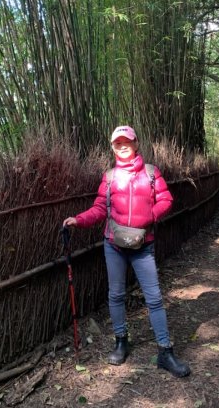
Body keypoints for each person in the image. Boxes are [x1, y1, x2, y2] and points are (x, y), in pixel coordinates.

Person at [63, 125, 190, 378]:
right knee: (116, 295)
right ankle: (121, 341)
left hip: (143, 245)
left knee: (153, 298)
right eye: (117, 142)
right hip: (114, 244)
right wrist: (79, 219)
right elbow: (100, 208)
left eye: (127, 141)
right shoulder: (109, 177)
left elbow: (166, 200)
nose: (122, 146)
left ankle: (165, 351)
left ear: (136, 144)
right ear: (112, 147)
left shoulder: (151, 173)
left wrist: (148, 217)